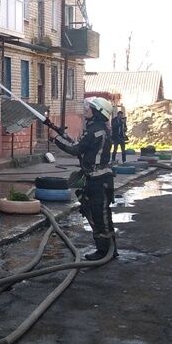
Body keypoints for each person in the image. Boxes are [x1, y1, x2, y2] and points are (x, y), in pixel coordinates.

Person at [53, 97, 117, 262]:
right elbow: (84, 147)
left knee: (99, 214)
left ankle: (104, 251)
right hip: (99, 179)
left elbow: (76, 150)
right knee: (101, 213)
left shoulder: (94, 130)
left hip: (98, 181)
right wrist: (64, 136)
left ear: (97, 112)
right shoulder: (99, 129)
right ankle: (110, 248)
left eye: (90, 108)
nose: (86, 109)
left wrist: (56, 139)